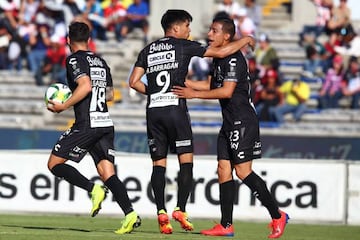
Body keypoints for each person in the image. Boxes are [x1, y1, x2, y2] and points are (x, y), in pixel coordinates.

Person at [128, 9, 255, 234]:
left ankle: (160, 211)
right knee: (185, 161)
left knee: (158, 164)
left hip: (154, 110)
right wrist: (244, 40)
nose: (190, 31)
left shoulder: (147, 50)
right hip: (175, 108)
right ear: (176, 28)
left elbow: (133, 82)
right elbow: (222, 51)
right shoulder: (183, 45)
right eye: (187, 26)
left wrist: (156, 92)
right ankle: (181, 208)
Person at [172, 17, 289, 238]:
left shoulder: (233, 58)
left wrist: (193, 94)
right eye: (209, 30)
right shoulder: (219, 59)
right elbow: (211, 84)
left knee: (243, 171)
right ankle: (226, 225)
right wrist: (182, 82)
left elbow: (226, 91)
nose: (209, 34)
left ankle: (277, 215)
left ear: (226, 36)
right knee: (223, 169)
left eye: (214, 31)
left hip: (242, 121)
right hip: (229, 121)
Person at [46, 21, 141, 235]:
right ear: (89, 40)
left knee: (54, 164)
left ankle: (93, 189)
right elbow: (108, 95)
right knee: (108, 172)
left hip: (87, 124)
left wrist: (64, 105)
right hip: (105, 123)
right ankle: (130, 214)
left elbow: (85, 85)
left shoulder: (73, 59)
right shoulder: (100, 61)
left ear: (68, 41)